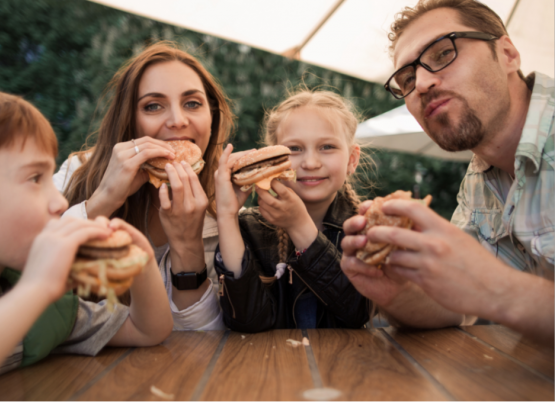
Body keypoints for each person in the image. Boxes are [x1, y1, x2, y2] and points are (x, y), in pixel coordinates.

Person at [0, 78, 173, 400]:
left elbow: (149, 330)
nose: (61, 202)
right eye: (35, 178)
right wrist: (35, 289)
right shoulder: (31, 294)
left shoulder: (44, 309)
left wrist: (143, 261)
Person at [340, 0, 554, 344]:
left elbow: (489, 289)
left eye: (442, 53)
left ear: (508, 53)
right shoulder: (479, 181)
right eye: (407, 78)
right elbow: (455, 307)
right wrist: (395, 291)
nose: (422, 83)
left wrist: (498, 289)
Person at [54, 41, 234, 331]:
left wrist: (187, 246)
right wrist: (101, 202)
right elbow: (22, 278)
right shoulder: (77, 173)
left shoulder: (224, 205)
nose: (177, 120)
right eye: (153, 106)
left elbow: (205, 338)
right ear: (130, 120)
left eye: (192, 103)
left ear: (211, 117)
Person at [214, 90, 370, 331]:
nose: (310, 163)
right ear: (271, 160)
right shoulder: (248, 226)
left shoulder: (367, 228)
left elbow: (358, 313)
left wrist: (299, 226)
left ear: (352, 159)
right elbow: (246, 321)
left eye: (327, 146)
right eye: (294, 149)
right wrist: (226, 215)